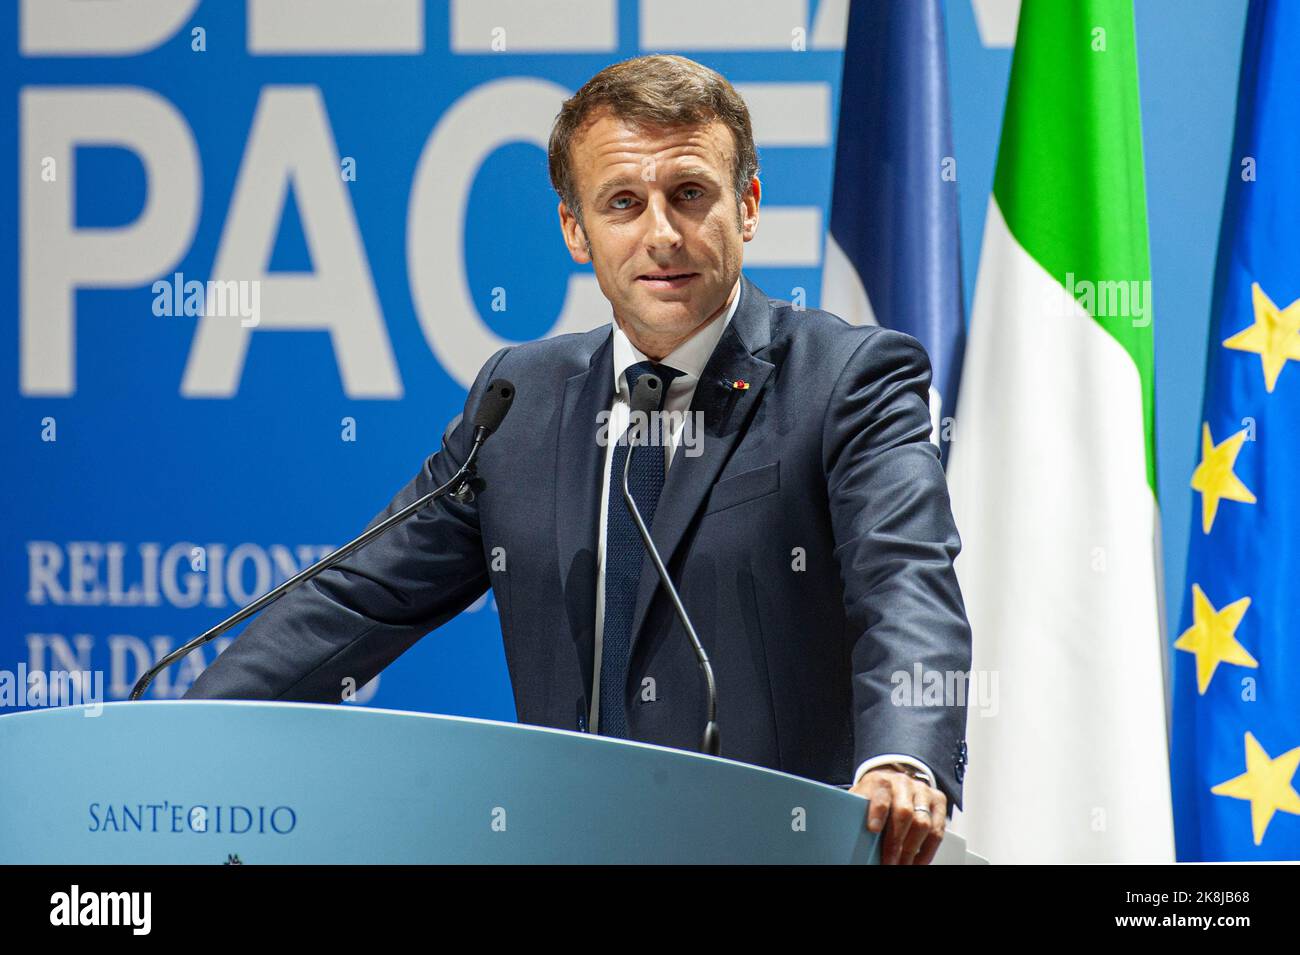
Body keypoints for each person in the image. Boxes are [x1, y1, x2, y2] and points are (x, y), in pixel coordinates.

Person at [185, 54, 972, 865]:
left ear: (747, 207)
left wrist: (903, 754)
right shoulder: (520, 400)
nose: (661, 233)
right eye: (623, 203)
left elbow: (905, 579)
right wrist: (181, 734)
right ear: (575, 229)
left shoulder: (846, 379)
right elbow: (359, 599)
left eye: (690, 194)